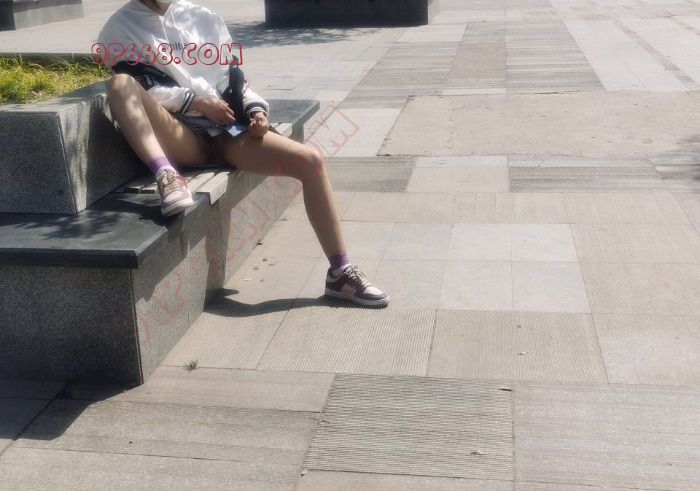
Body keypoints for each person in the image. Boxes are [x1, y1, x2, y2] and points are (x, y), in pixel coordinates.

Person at [98, 0, 389, 307]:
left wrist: (256, 110)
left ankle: (340, 273)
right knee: (120, 84)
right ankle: (166, 174)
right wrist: (195, 102)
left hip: (228, 132)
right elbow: (144, 88)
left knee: (311, 161)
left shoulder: (203, 18)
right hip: (180, 134)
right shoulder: (119, 28)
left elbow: (234, 79)